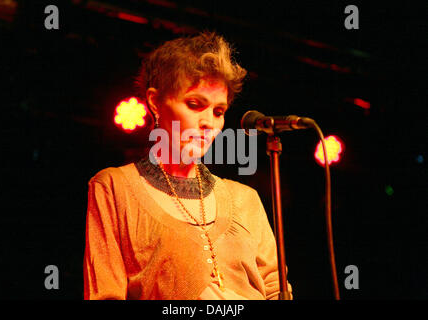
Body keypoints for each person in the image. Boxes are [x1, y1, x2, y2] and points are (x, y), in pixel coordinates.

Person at [83, 31, 292, 300]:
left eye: (218, 111)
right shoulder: (114, 187)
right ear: (155, 102)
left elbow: (276, 289)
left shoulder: (245, 199)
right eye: (195, 104)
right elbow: (106, 294)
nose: (209, 122)